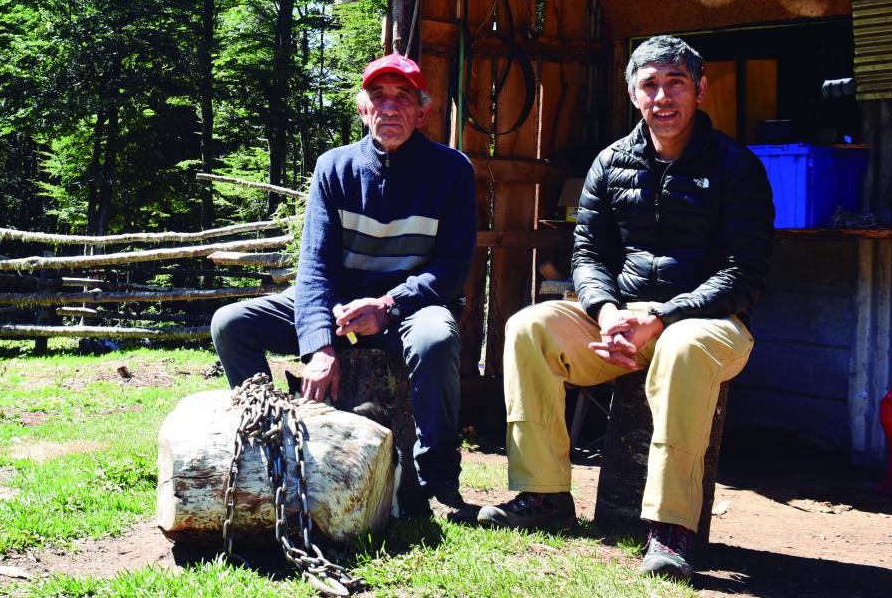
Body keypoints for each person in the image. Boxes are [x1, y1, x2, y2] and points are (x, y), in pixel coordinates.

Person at [477, 35, 774, 581]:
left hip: (709, 326)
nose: (663, 97)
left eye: (676, 83)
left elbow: (744, 274)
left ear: (700, 89)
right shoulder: (611, 162)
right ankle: (543, 493)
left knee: (682, 347)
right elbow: (587, 253)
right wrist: (607, 310)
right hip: (620, 321)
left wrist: (660, 318)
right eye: (650, 84)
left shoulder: (737, 167)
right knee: (528, 326)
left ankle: (671, 528)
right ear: (633, 94)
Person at [211, 52, 478, 522]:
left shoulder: (452, 171)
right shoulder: (334, 167)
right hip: (338, 302)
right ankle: (272, 442)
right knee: (231, 324)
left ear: (423, 110)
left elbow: (453, 269)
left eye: (403, 99)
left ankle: (437, 481)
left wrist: (390, 305)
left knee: (437, 338)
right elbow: (314, 267)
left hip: (409, 307)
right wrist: (319, 345)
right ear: (362, 109)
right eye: (378, 98)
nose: (389, 109)